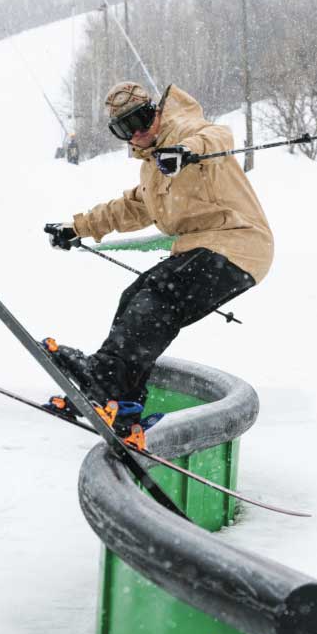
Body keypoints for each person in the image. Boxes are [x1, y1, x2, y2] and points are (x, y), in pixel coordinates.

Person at [43, 81, 272, 430]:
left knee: (160, 295)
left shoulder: (185, 131)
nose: (137, 133)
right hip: (203, 248)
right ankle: (122, 404)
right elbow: (131, 207)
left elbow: (218, 136)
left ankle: (104, 380)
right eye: (125, 128)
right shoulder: (154, 166)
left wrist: (185, 149)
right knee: (135, 297)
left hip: (238, 243)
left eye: (142, 120)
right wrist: (77, 227)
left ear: (157, 112)